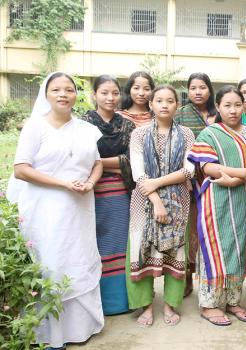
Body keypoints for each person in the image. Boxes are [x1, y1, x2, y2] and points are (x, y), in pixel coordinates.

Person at [9, 72, 104, 349]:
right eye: (56, 90)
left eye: (69, 90)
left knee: (78, 259)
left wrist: (90, 182)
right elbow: (21, 169)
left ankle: (81, 327)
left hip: (80, 206)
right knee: (51, 261)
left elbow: (97, 163)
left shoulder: (86, 129)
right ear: (46, 94)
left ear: (76, 94)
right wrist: (63, 183)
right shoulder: (35, 127)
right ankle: (50, 335)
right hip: (45, 208)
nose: (63, 94)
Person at [188, 85, 246, 326]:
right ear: (218, 107)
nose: (233, 110)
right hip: (216, 200)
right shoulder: (209, 134)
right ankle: (209, 305)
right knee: (215, 247)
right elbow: (207, 167)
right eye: (227, 105)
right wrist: (240, 173)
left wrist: (237, 178)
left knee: (237, 248)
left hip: (242, 199)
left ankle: (233, 300)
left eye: (237, 105)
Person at [125, 85, 195, 327]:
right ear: (151, 104)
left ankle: (169, 305)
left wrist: (159, 182)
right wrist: (156, 201)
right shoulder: (139, 134)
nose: (164, 105)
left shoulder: (186, 134)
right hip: (144, 200)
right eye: (159, 100)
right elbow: (138, 172)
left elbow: (189, 170)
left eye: (170, 100)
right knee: (140, 251)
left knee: (176, 252)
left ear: (177, 105)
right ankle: (145, 306)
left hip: (179, 200)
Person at [82, 75, 135, 316]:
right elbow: (79, 160)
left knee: (119, 245)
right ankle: (94, 302)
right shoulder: (82, 124)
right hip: (88, 193)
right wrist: (110, 164)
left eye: (115, 93)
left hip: (120, 195)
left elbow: (133, 161)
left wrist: (97, 162)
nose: (110, 98)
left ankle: (119, 302)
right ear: (94, 95)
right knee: (92, 245)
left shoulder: (127, 125)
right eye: (104, 93)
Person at [175, 72, 217, 297]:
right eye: (193, 88)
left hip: (216, 180)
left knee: (212, 231)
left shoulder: (218, 114)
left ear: (209, 90)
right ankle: (187, 278)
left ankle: (212, 279)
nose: (197, 92)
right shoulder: (180, 114)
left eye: (202, 87)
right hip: (189, 181)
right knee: (189, 231)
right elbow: (180, 149)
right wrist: (187, 178)